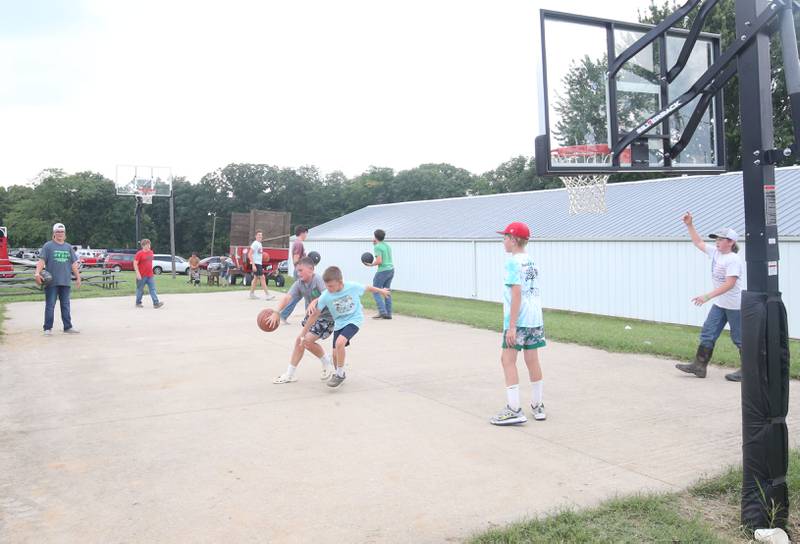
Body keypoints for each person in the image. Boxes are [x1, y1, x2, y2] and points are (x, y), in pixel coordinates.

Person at [490, 222, 546, 426]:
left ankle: (514, 409)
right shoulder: (531, 261)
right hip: (535, 318)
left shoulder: (512, 263)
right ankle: (538, 405)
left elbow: (516, 292)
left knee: (507, 360)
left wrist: (512, 326)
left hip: (519, 319)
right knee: (532, 359)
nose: (503, 241)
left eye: (505, 237)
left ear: (513, 240)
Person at [676, 212, 743, 382]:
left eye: (721, 239)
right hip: (721, 304)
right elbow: (698, 242)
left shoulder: (733, 259)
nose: (717, 242)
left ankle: (748, 371)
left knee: (740, 339)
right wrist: (689, 225)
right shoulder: (716, 253)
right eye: (717, 239)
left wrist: (707, 296)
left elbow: (730, 283)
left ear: (731, 242)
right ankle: (699, 366)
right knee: (708, 333)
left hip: (736, 306)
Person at [299, 266, 390, 388]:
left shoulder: (351, 286)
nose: (328, 289)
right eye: (327, 286)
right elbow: (315, 314)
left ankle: (340, 374)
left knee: (340, 343)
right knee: (335, 355)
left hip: (354, 320)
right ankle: (339, 373)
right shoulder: (326, 295)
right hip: (339, 324)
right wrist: (303, 333)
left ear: (340, 282)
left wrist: (381, 291)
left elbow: (367, 287)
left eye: (331, 286)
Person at [269, 256, 336, 384]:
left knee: (306, 341)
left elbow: (327, 294)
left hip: (326, 318)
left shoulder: (318, 280)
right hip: (313, 317)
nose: (298, 273)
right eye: (297, 271)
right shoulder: (299, 284)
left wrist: (315, 301)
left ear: (311, 270)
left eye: (300, 270)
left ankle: (327, 362)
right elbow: (287, 297)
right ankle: (290, 374)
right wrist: (276, 312)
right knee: (300, 341)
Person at [34, 222, 82, 336]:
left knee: (66, 305)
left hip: (65, 281)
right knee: (50, 305)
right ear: (54, 233)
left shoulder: (68, 247)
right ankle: (47, 328)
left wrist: (78, 277)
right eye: (58, 231)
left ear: (65, 233)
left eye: (62, 232)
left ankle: (68, 327)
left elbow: (73, 264)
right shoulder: (48, 246)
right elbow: (41, 261)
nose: (60, 233)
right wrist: (37, 273)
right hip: (51, 282)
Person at [279, 225, 309, 324]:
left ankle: (283, 315)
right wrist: (301, 271)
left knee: (298, 295)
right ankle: (308, 318)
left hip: (300, 271)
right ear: (303, 232)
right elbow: (296, 259)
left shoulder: (297, 243)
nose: (306, 235)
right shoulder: (298, 244)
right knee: (307, 294)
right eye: (306, 233)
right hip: (300, 272)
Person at [363, 228, 394, 319]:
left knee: (375, 290)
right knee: (386, 291)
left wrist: (371, 265)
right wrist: (376, 242)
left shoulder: (377, 247)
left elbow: (379, 261)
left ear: (375, 236)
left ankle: (382, 311)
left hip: (383, 271)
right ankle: (388, 313)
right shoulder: (386, 245)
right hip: (391, 270)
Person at [134, 239, 164, 309]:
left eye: (149, 244)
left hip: (150, 275)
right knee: (140, 290)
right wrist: (137, 273)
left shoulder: (151, 252)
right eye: (148, 245)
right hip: (141, 275)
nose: (149, 246)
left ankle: (156, 303)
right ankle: (138, 303)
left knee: (153, 289)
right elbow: (135, 263)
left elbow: (149, 263)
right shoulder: (139, 253)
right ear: (143, 246)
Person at [248, 230, 275, 300]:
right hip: (256, 263)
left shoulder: (260, 244)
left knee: (256, 278)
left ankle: (252, 294)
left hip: (258, 263)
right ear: (256, 236)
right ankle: (267, 295)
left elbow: (258, 254)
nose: (260, 236)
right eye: (259, 235)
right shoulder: (255, 244)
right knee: (262, 277)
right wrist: (253, 265)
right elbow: (249, 254)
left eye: (261, 235)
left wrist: (263, 257)